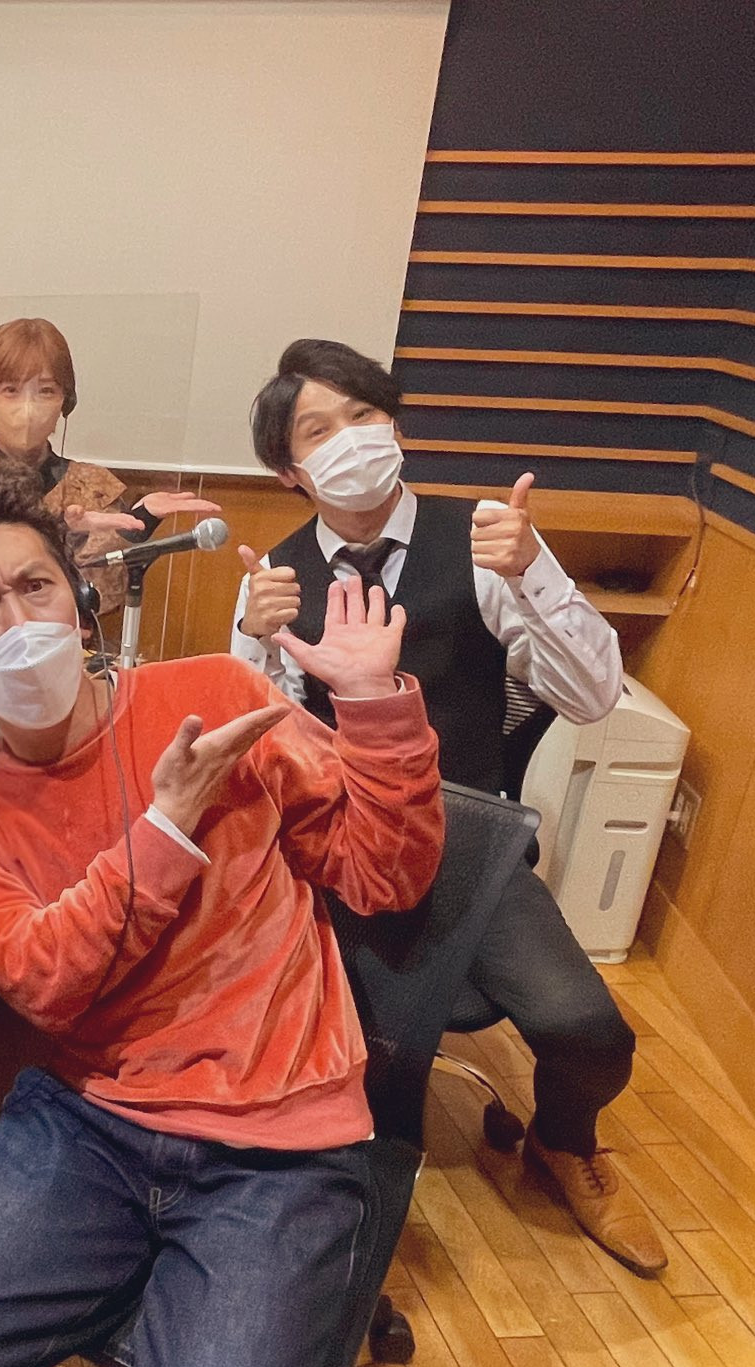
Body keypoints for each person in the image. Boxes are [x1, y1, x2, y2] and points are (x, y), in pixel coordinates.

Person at [0, 457, 445, 1367]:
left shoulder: (215, 698)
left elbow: (383, 876)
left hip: (281, 1144)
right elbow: (44, 983)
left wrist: (372, 709)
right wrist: (164, 831)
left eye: (34, 586)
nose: (16, 621)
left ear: (80, 600)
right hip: (91, 1127)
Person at [231, 337, 663, 1276]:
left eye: (364, 415)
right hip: (335, 849)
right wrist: (257, 646)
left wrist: (534, 572)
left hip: (467, 839)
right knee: (328, 1042)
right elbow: (253, 749)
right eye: (319, 430)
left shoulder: (485, 545)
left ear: (395, 426)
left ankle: (565, 1141)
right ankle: (329, 1194)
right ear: (290, 471)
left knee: (588, 1029)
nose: (351, 438)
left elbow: (595, 697)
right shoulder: (277, 576)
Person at [0, 316, 221, 622]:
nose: (28, 408)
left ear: (65, 402)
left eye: (46, 391)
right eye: (11, 390)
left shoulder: (94, 487)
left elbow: (102, 597)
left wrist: (134, 527)